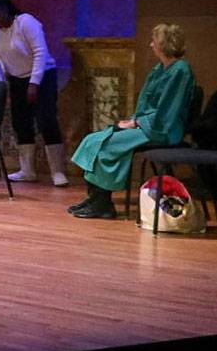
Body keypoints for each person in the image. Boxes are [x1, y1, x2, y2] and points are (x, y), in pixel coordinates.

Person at [69, 24, 195, 219]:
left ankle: (103, 204)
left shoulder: (180, 71)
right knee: (93, 139)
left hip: (162, 129)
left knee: (107, 146)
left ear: (164, 44)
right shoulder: (159, 69)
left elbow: (167, 110)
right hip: (147, 125)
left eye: (154, 41)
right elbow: (145, 104)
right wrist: (134, 120)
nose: (151, 44)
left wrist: (138, 123)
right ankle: (94, 198)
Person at [0, 0, 67, 186]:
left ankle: (58, 172)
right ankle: (27, 171)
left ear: (7, 10)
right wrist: (4, 78)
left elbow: (40, 53)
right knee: (20, 122)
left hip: (42, 76)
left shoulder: (26, 22)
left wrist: (34, 83)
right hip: (17, 79)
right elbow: (2, 55)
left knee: (46, 120)